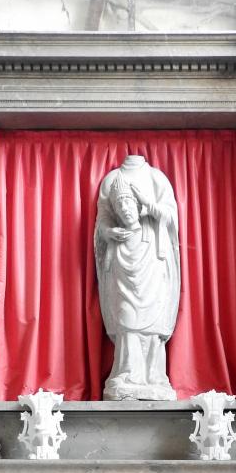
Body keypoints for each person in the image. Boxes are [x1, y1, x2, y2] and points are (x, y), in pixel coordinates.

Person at [94, 154, 180, 400]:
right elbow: (103, 219)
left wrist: (149, 206)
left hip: (152, 256)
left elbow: (171, 216)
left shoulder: (156, 177)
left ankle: (153, 376)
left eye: (128, 205)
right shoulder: (111, 180)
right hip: (123, 255)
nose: (125, 209)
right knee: (126, 316)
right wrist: (110, 232)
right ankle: (127, 372)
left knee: (154, 318)